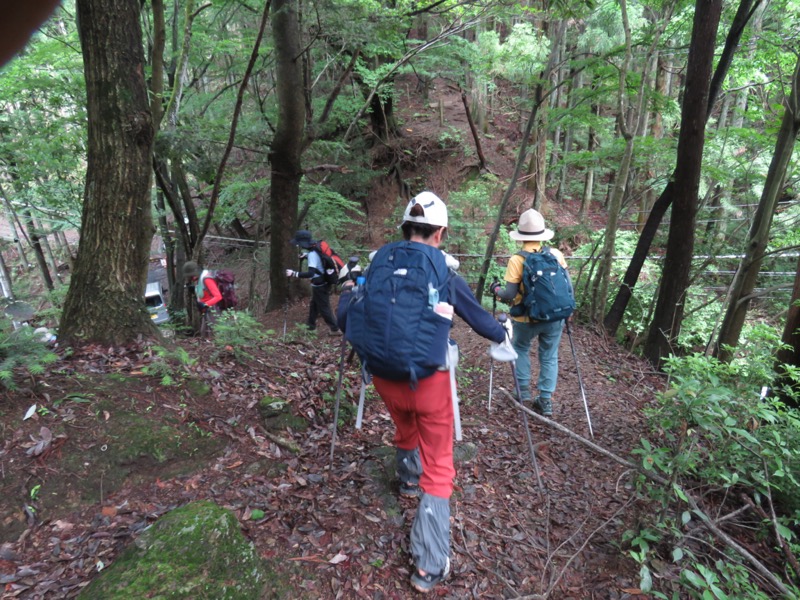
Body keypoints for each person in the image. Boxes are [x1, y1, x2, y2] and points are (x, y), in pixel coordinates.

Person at [340, 192, 514, 594]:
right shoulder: (444, 271)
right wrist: (502, 329)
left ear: (404, 229)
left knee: (404, 423)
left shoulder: (378, 263)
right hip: (429, 382)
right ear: (440, 233)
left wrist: (348, 288)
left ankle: (406, 479)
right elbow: (480, 321)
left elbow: (346, 318)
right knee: (440, 464)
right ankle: (429, 563)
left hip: (383, 376)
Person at [491, 208, 568, 417]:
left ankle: (523, 392)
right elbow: (566, 286)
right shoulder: (556, 254)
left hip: (526, 317)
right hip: (555, 316)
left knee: (521, 347)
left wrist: (495, 290)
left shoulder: (517, 259)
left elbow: (509, 294)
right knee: (549, 356)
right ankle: (545, 400)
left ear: (521, 236)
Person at [285, 230, 341, 335]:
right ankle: (311, 326)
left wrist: (294, 273)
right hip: (321, 283)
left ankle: (335, 329)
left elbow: (310, 273)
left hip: (321, 285)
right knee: (314, 305)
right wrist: (305, 256)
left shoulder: (312, 255)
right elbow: (318, 259)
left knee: (324, 308)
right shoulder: (315, 248)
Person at [183, 261, 222, 336]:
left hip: (213, 311)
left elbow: (218, 296)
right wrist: (194, 289)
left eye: (191, 275)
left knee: (215, 334)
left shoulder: (206, 278)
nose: (191, 277)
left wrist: (205, 304)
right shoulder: (200, 279)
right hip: (207, 311)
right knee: (204, 334)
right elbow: (204, 292)